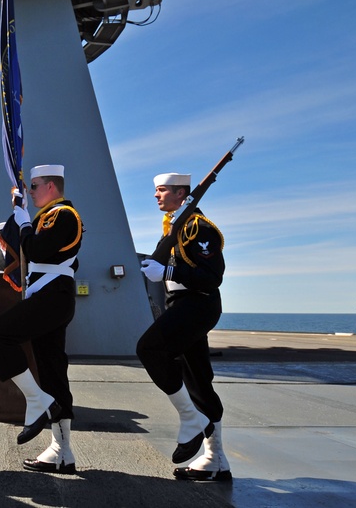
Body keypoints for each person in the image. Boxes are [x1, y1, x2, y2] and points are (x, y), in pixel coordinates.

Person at [0, 164, 83, 475]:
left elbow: (36, 250)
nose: (31, 191)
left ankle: (36, 400)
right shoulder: (50, 216)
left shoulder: (63, 215)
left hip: (53, 296)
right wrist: (22, 215)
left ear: (52, 186)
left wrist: (25, 223)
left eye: (35, 185)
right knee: (53, 371)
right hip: (49, 295)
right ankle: (61, 452)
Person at [136, 173, 230, 482]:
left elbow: (211, 277)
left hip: (197, 303)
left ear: (181, 194)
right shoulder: (176, 227)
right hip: (182, 304)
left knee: (149, 349)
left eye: (162, 190)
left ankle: (191, 419)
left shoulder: (198, 228)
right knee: (198, 380)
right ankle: (216, 460)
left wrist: (166, 270)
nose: (156, 196)